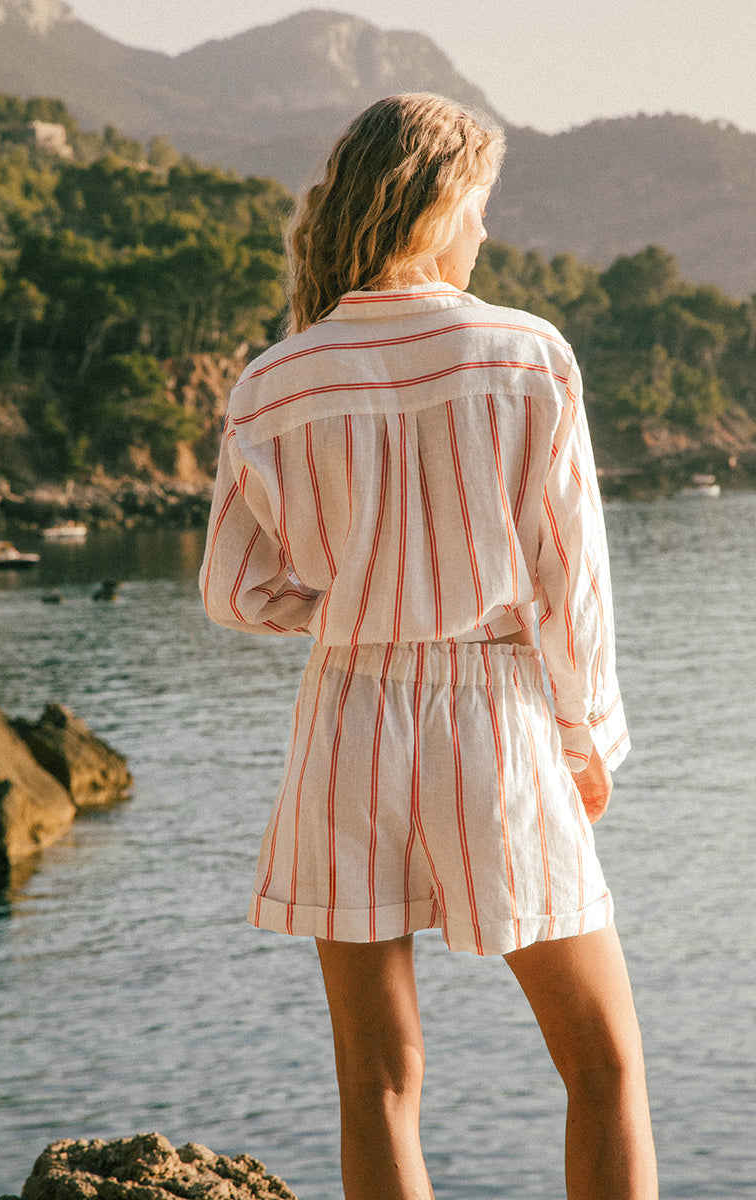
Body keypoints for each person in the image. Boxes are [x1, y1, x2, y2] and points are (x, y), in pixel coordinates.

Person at [200, 93, 658, 1200]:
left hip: (346, 722)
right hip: (494, 718)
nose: (485, 235)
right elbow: (568, 588)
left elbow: (234, 591)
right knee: (600, 1062)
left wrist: (359, 605)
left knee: (377, 1081)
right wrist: (587, 737)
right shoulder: (524, 354)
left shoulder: (273, 381)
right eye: (483, 208)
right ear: (442, 200)